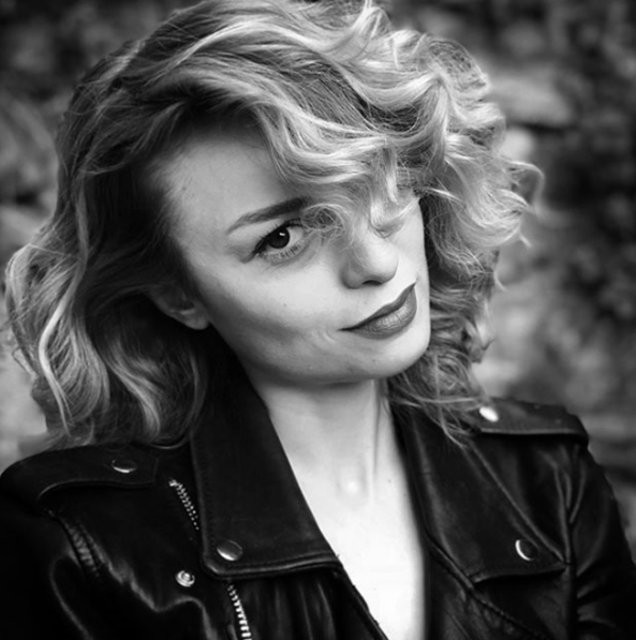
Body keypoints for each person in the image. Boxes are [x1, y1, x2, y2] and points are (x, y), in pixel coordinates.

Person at [1, 0, 635, 638]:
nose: (376, 262)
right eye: (282, 238)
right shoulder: (80, 548)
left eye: (377, 183)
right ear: (178, 296)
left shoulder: (551, 481)